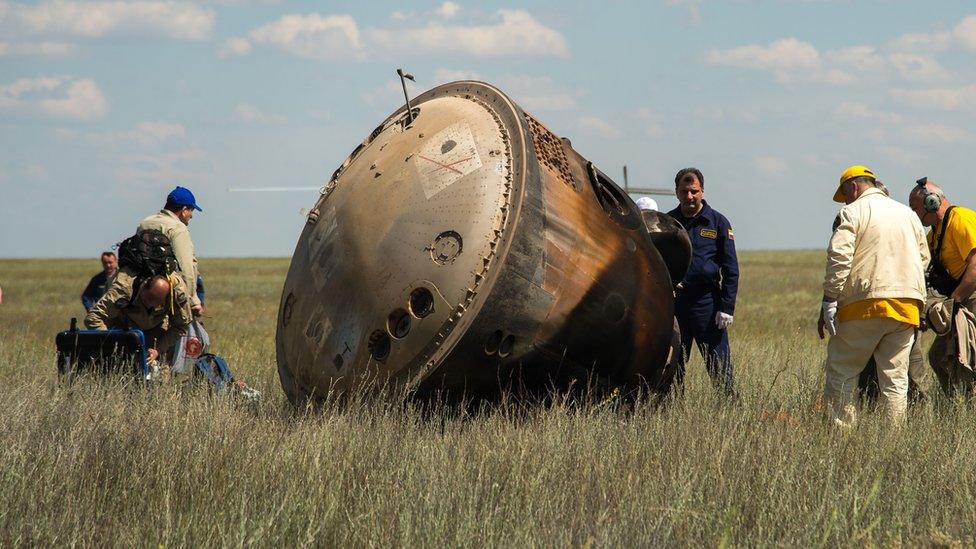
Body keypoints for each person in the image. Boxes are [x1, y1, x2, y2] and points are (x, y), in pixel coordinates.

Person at [819, 165, 929, 428]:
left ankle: (842, 434)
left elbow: (839, 257)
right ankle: (893, 438)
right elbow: (923, 258)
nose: (845, 200)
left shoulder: (851, 211)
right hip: (907, 306)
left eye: (845, 194)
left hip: (863, 304)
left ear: (853, 187)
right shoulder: (908, 214)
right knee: (895, 379)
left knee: (843, 370)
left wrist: (830, 299)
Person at [666, 167, 739, 396]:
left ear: (703, 192)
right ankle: (672, 413)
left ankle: (729, 410)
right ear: (676, 193)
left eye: (694, 191)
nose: (689, 196)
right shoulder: (667, 222)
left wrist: (726, 307)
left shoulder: (717, 222)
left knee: (719, 366)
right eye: (684, 191)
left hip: (707, 303)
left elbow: (731, 269)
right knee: (673, 365)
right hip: (676, 304)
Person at [908, 178, 976, 396]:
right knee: (939, 357)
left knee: (967, 357)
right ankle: (958, 407)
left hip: (970, 298)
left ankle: (966, 406)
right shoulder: (935, 234)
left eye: (915, 208)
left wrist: (951, 304)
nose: (915, 215)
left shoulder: (961, 219)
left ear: (931, 202)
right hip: (962, 300)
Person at [84, 270, 192, 366]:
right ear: (143, 286)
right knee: (119, 368)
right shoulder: (124, 287)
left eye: (157, 302)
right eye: (149, 298)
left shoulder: (176, 292)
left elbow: (181, 326)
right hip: (121, 329)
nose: (150, 305)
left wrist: (157, 349)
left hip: (156, 330)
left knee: (159, 373)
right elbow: (93, 318)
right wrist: (113, 345)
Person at [138, 186, 203, 317]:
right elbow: (186, 267)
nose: (191, 216)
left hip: (143, 293)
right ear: (184, 210)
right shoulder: (178, 228)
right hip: (170, 295)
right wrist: (193, 301)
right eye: (191, 211)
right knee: (197, 336)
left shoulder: (145, 223)